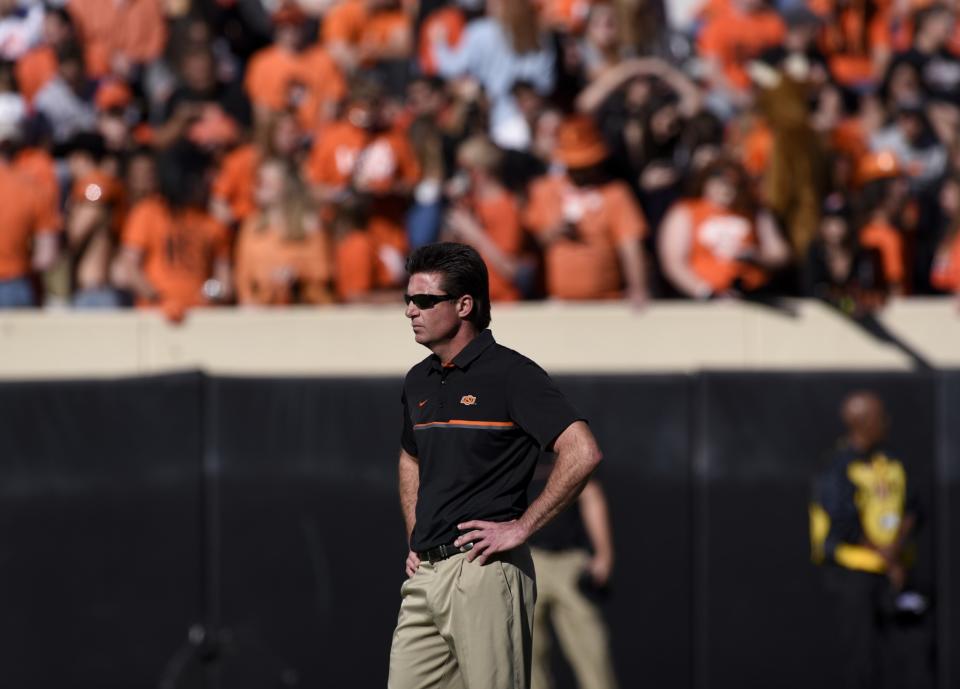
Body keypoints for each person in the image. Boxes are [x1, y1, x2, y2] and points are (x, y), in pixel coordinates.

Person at [389, 242, 603, 689]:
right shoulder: (418, 379)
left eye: (425, 300)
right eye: (408, 299)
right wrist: (416, 533)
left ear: (464, 304)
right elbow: (410, 456)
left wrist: (521, 527)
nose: (411, 310)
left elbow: (582, 451)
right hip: (424, 574)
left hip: (484, 570)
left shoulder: (512, 374)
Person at [809, 391, 919, 689]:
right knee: (860, 658)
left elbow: (913, 506)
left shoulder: (893, 461)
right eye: (881, 417)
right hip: (854, 574)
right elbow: (843, 521)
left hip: (894, 570)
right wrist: (886, 557)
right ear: (862, 422)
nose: (887, 422)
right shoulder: (837, 466)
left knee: (904, 655)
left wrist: (896, 552)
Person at [528, 459, 618, 689]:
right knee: (529, 659)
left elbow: (591, 493)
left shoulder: (564, 437)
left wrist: (604, 553)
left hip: (569, 561)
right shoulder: (513, 440)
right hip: (527, 561)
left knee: (591, 651)